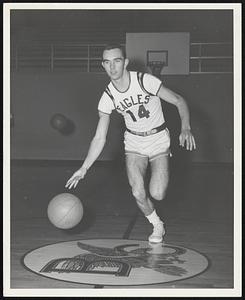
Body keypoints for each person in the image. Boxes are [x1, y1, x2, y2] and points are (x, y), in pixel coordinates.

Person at [65, 44, 196, 243]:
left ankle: (160, 191)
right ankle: (157, 225)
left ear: (125, 62)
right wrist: (84, 168)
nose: (112, 67)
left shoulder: (145, 81)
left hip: (158, 139)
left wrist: (185, 127)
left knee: (158, 194)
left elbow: (178, 100)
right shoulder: (107, 97)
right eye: (107, 62)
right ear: (103, 65)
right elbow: (100, 137)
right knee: (137, 191)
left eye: (117, 61)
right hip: (134, 143)